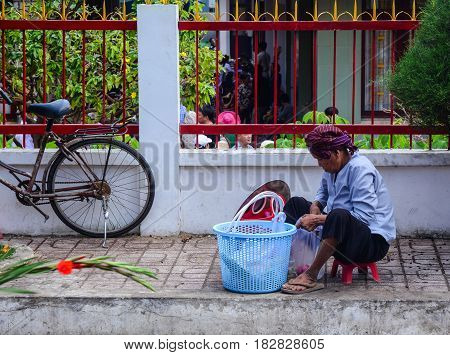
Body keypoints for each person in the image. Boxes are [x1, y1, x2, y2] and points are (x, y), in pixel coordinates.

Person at [281, 125, 396, 294]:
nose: (320, 164)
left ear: (337, 153)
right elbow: (323, 192)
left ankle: (311, 275)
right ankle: (284, 263)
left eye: (322, 159)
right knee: (295, 204)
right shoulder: (333, 166)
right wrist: (316, 207)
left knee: (338, 215)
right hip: (344, 233)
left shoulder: (360, 170)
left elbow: (363, 216)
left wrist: (318, 220)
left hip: (371, 243)